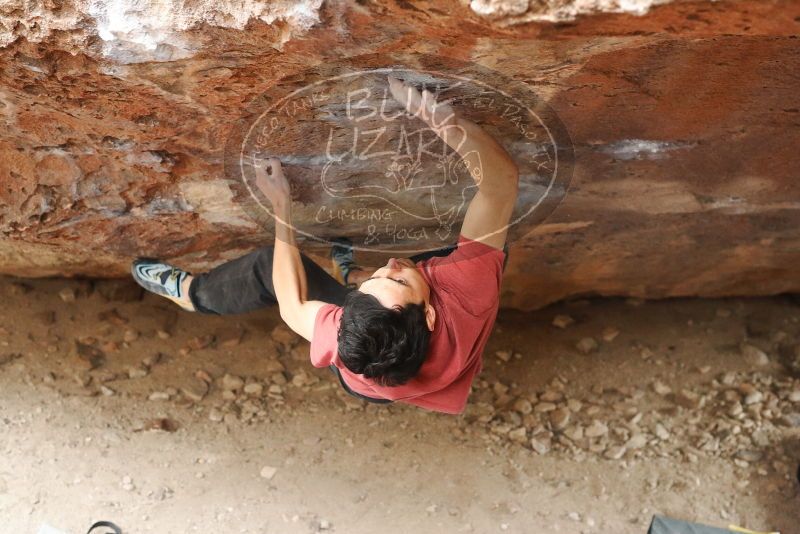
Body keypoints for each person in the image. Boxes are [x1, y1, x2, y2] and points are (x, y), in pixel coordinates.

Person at [131, 75, 519, 414]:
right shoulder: (469, 289)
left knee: (270, 265)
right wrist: (435, 115)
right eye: (388, 280)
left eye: (387, 279)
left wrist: (281, 206)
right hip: (421, 371)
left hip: (370, 385)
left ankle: (195, 294)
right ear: (431, 316)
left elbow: (292, 305)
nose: (391, 263)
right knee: (476, 252)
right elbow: (500, 181)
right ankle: (353, 280)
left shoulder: (338, 332)